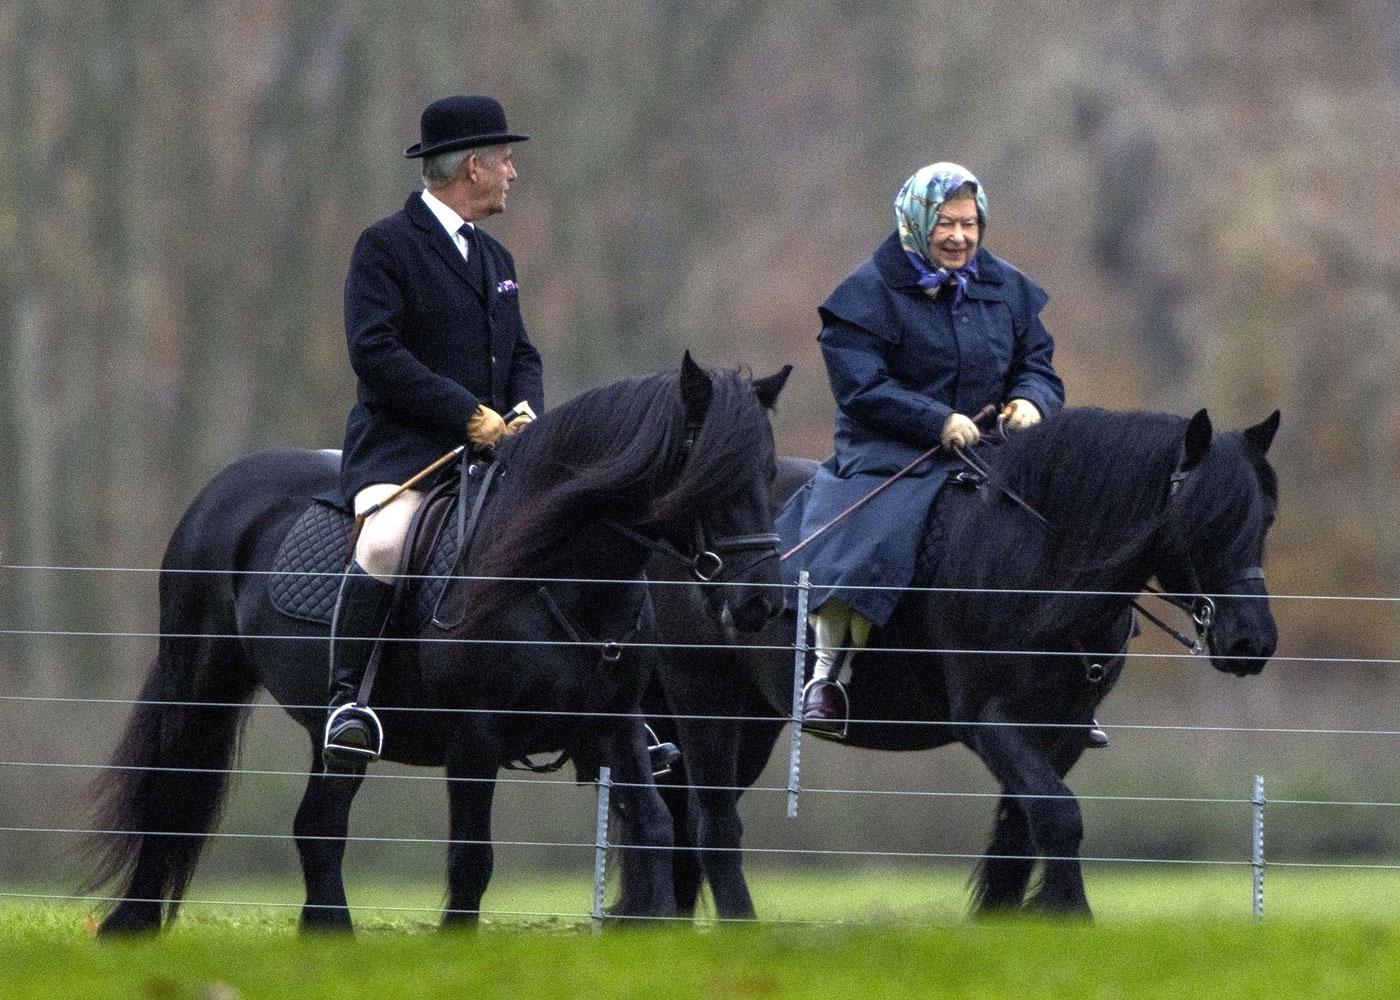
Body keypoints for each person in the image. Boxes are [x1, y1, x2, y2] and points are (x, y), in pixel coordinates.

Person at [776, 161, 1091, 739]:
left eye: (970, 224)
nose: (959, 237)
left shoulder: (1007, 288)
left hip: (990, 449)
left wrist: (1031, 403)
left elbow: (1038, 367)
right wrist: (935, 420)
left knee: (1058, 525)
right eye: (946, 223)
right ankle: (827, 678)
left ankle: (1065, 684)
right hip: (889, 452)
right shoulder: (866, 293)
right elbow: (860, 387)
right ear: (917, 221)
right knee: (873, 532)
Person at [324, 94, 544, 768]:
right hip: (404, 453)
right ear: (473, 167)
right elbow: (377, 354)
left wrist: (525, 411)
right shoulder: (386, 247)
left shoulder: (498, 259)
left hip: (494, 456)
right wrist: (466, 416)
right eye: (505, 162)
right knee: (387, 544)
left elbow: (523, 354)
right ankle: (347, 701)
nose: (513, 173)